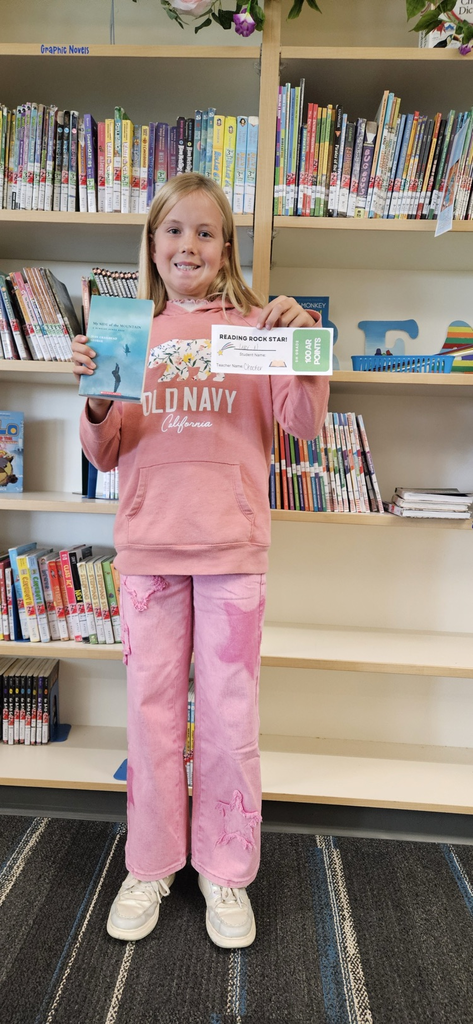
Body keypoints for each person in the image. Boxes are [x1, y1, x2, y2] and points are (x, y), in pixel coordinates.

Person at [72, 172, 329, 949]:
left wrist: (303, 343)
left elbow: (303, 423)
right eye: (174, 231)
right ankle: (149, 862)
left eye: (206, 232)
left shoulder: (259, 325)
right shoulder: (126, 330)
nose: (189, 245)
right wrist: (89, 400)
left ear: (226, 249)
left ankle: (224, 870)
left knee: (227, 720)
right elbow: (106, 452)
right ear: (152, 245)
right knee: (150, 718)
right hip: (150, 547)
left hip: (231, 549)